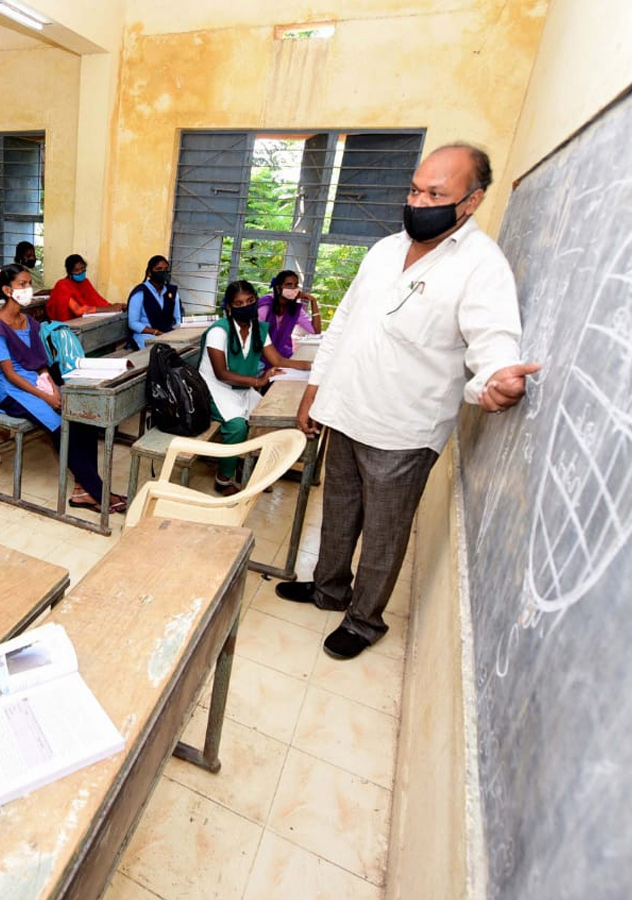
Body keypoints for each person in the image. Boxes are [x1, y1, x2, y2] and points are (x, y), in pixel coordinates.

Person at [276, 143, 540, 660]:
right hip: (347, 409)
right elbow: (345, 322)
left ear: (471, 201)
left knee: (383, 533)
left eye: (436, 194)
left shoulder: (481, 267)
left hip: (402, 429)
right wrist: (315, 391)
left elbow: (494, 339)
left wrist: (496, 379)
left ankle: (364, 619)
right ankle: (328, 589)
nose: (419, 202)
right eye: (415, 190)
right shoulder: (384, 250)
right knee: (339, 509)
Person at [0, 264, 126, 514]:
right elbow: (10, 374)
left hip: (38, 385)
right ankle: (99, 492)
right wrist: (45, 396)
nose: (28, 289)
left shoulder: (28, 322)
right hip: (14, 393)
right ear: (6, 290)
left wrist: (53, 389)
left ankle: (82, 491)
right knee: (62, 429)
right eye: (22, 285)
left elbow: (40, 364)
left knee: (83, 419)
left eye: (29, 284)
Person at [200, 280, 311, 494]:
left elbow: (277, 360)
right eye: (239, 303)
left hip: (242, 387)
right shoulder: (219, 331)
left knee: (269, 419)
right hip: (215, 389)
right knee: (237, 426)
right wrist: (259, 381)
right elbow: (221, 373)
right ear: (230, 308)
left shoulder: (259, 329)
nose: (246, 306)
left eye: (251, 301)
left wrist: (309, 366)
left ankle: (248, 466)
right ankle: (223, 478)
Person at [258, 269, 322, 358]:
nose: (293, 288)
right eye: (289, 285)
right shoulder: (266, 305)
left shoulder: (295, 309)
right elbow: (255, 334)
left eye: (296, 285)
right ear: (278, 287)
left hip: (282, 352)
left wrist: (313, 302)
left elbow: (315, 331)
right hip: (260, 352)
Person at [126, 255, 181, 349]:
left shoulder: (172, 292)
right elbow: (133, 323)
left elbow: (177, 320)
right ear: (149, 272)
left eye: (166, 269)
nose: (163, 272)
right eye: (159, 269)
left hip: (167, 334)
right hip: (145, 336)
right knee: (160, 351)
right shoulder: (140, 292)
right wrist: (156, 332)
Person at [46, 254, 116, 321]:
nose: (80, 272)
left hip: (85, 320)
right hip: (68, 324)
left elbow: (97, 301)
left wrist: (115, 306)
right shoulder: (62, 285)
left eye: (82, 268)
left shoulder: (85, 282)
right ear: (69, 272)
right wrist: (109, 308)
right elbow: (78, 310)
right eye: (76, 270)